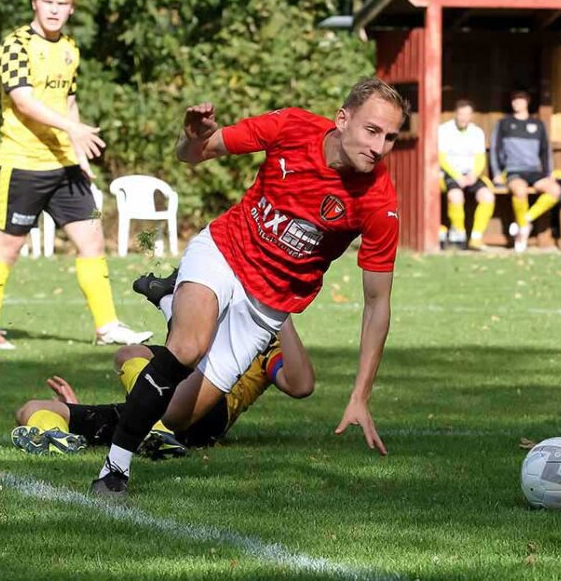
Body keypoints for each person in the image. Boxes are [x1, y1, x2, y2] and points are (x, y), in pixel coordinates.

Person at [89, 77, 405, 498]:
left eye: (390, 137)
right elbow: (194, 154)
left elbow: (377, 304)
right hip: (224, 251)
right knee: (187, 346)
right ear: (342, 119)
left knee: (182, 416)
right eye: (372, 130)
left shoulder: (379, 201)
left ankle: (168, 300)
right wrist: (191, 140)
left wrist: (361, 395)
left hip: (266, 307)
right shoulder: (292, 128)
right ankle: (115, 470)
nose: (379, 146)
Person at [0, 0, 151, 350]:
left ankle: (107, 327)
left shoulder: (70, 47)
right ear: (35, 3)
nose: (54, 10)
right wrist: (73, 131)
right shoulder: (16, 45)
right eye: (48, 2)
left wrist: (78, 155)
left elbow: (68, 101)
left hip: (64, 167)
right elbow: (23, 100)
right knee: (7, 247)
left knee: (92, 242)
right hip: (23, 163)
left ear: (71, 9)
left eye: (62, 4)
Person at [12, 278, 314, 456]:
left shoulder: (259, 341)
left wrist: (279, 311)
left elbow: (300, 385)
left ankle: (156, 430)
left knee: (130, 355)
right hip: (153, 411)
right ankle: (62, 440)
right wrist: (76, 409)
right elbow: (164, 367)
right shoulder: (200, 334)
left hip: (205, 412)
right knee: (31, 409)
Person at [490, 90, 561, 252]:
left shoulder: (538, 125)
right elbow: (495, 149)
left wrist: (549, 172)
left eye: (520, 100)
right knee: (519, 191)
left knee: (555, 190)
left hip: (534, 171)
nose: (517, 103)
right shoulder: (504, 123)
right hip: (514, 170)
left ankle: (525, 220)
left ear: (527, 102)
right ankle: (522, 234)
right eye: (514, 100)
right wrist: (497, 173)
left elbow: (545, 150)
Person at [438, 100, 495, 250]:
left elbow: (480, 158)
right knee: (455, 196)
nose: (464, 118)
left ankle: (476, 238)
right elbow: (442, 158)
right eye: (461, 114)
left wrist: (474, 175)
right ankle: (460, 236)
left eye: (467, 115)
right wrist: (457, 176)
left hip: (471, 174)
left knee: (487, 196)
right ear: (456, 114)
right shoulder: (444, 130)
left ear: (471, 116)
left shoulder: (477, 132)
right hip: (450, 173)